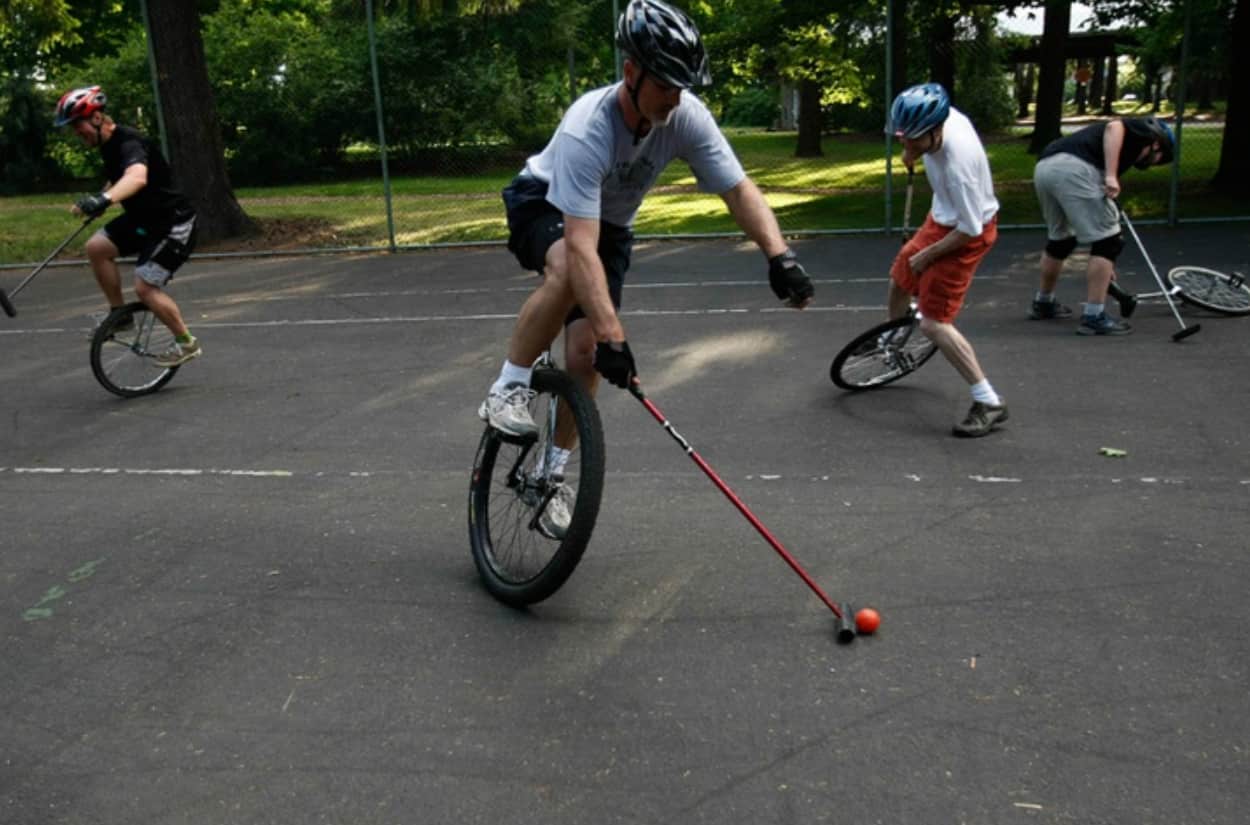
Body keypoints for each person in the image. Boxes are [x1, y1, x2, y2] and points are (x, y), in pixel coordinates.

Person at [477, 0, 814, 537]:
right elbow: (580, 247)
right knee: (567, 272)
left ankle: (548, 476)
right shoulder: (588, 129)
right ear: (630, 72)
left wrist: (780, 256)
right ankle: (509, 386)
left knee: (585, 352)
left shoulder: (685, 115)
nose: (675, 99)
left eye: (683, 87)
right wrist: (618, 335)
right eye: (665, 86)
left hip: (606, 227)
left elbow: (737, 188)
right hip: (542, 203)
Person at [886, 83, 1005, 438]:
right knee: (899, 277)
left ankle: (989, 401)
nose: (906, 146)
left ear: (936, 131)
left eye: (913, 141)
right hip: (942, 219)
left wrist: (928, 255)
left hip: (967, 233)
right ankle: (893, 341)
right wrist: (914, 153)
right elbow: (914, 139)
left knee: (934, 323)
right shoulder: (941, 118)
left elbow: (970, 229)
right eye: (902, 138)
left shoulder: (960, 165)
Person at [55, 85, 201, 367]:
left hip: (172, 223)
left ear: (96, 118)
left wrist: (105, 199)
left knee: (145, 288)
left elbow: (136, 178)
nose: (77, 133)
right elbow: (119, 178)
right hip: (143, 220)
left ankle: (187, 343)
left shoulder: (129, 142)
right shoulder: (108, 146)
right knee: (97, 247)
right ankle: (120, 316)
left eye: (78, 125)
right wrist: (100, 199)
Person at [1028, 116, 1175, 335]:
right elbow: (1114, 127)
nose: (1153, 164)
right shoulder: (1144, 131)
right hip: (1076, 169)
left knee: (1062, 240)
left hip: (1046, 168)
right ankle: (1094, 316)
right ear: (1156, 144)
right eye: (1159, 158)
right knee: (1109, 242)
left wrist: (1106, 267)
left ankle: (1044, 302)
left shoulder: (1122, 149)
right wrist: (1111, 176)